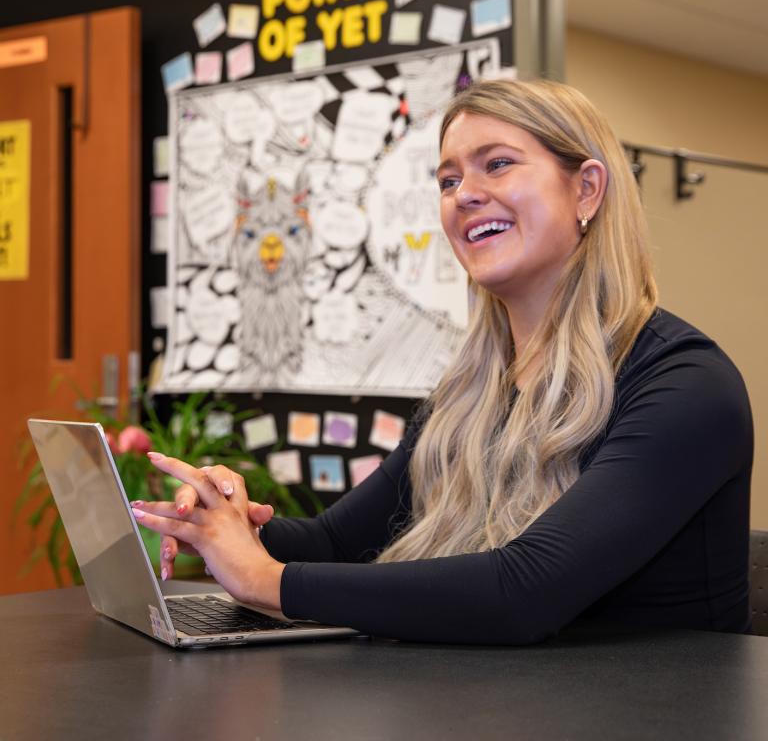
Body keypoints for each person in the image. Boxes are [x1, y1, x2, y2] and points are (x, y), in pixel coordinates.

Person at [132, 79, 753, 644]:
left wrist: (268, 581)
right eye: (448, 180)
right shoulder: (473, 391)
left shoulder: (686, 386)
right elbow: (338, 543)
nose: (465, 196)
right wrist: (228, 523)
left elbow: (524, 590)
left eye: (498, 165)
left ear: (586, 188)